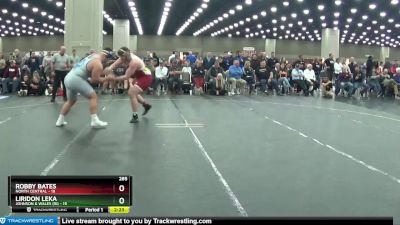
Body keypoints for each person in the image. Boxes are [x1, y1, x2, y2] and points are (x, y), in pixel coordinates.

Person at [55, 49, 113, 128]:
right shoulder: (98, 64)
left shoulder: (92, 56)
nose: (107, 62)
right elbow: (94, 80)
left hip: (68, 78)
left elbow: (89, 70)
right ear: (105, 57)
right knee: (93, 97)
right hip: (75, 79)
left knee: (71, 100)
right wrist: (107, 78)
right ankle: (94, 120)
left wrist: (103, 73)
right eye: (108, 59)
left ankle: (60, 120)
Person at [105, 47, 153, 123]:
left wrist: (114, 78)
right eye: (120, 57)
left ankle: (135, 116)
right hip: (138, 75)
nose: (121, 59)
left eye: (122, 57)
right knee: (133, 92)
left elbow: (126, 77)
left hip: (145, 76)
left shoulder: (134, 62)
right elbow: (115, 64)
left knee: (131, 92)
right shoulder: (123, 57)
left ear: (127, 55)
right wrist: (109, 68)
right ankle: (146, 105)